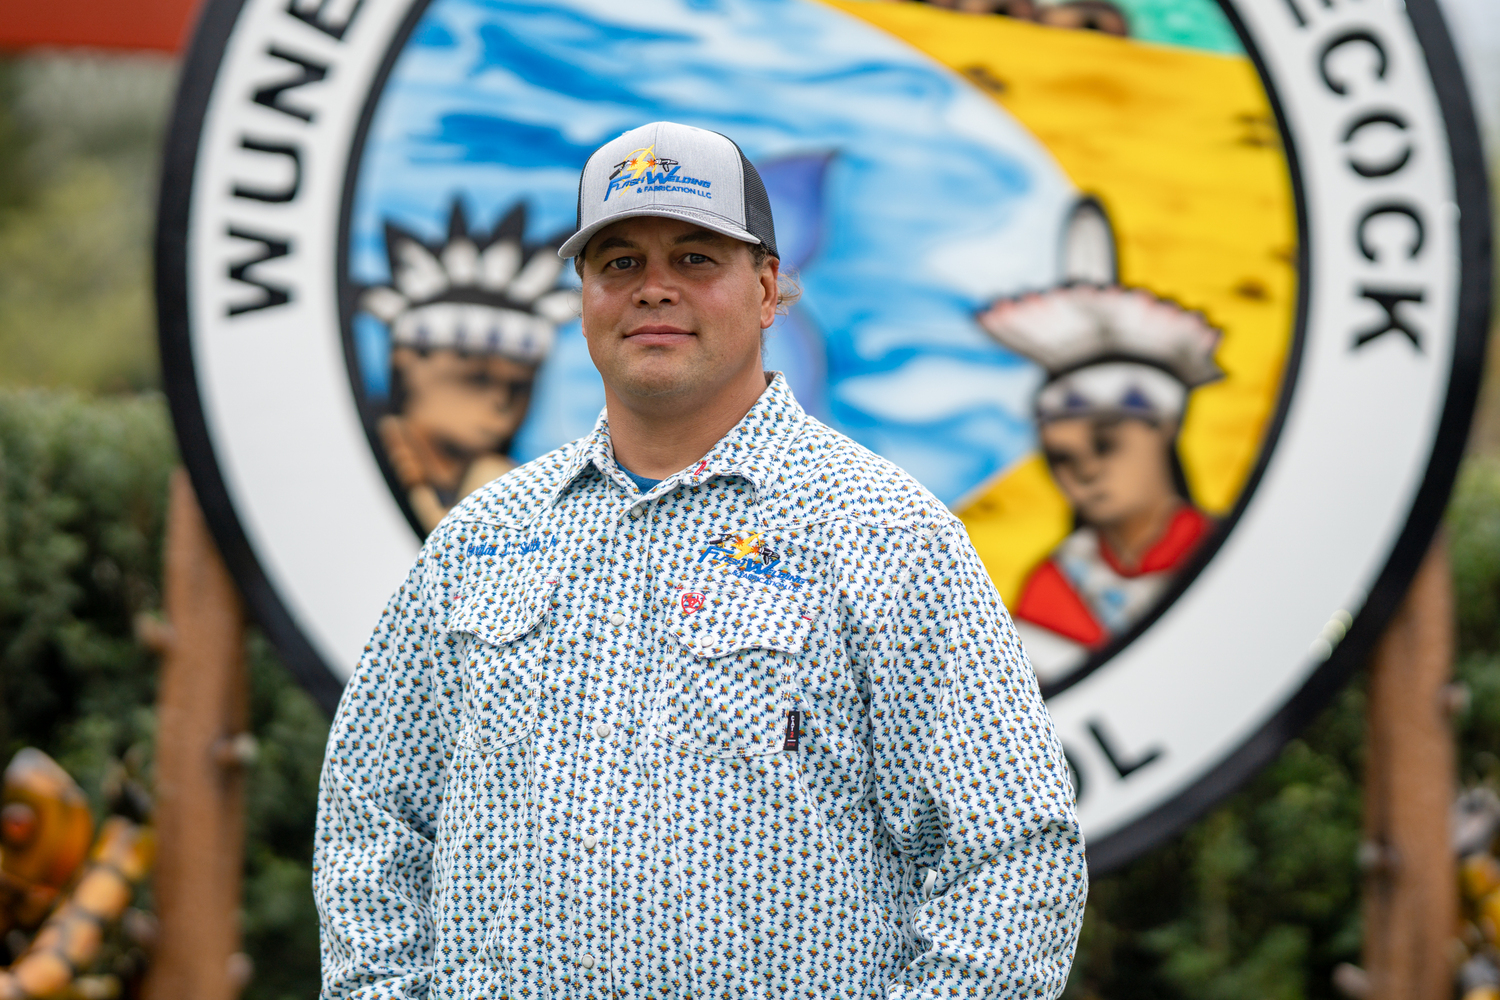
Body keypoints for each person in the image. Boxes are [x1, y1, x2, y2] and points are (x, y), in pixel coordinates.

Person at [315, 120, 1085, 998]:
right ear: (581, 297)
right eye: (619, 263)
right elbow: (371, 820)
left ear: (767, 289)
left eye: (694, 259)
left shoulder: (887, 534)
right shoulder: (480, 539)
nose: (652, 290)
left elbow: (1012, 855)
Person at [976, 284, 1222, 682]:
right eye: (1062, 459)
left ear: (1165, 429)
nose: (1085, 472)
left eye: (1105, 445)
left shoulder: (1224, 555)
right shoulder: (1053, 586)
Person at [359, 202, 579, 530]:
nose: (501, 401)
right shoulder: (351, 456)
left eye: (520, 386)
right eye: (475, 379)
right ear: (407, 360)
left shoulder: (513, 487)